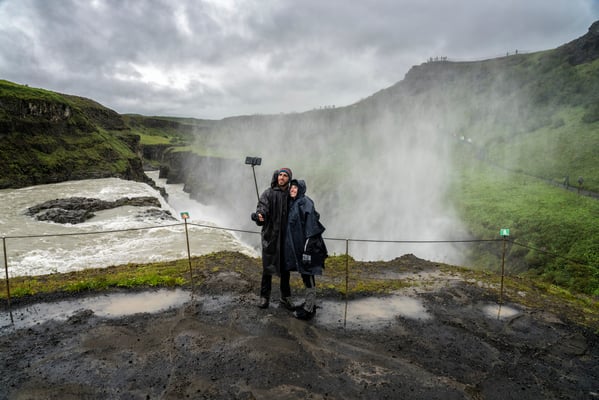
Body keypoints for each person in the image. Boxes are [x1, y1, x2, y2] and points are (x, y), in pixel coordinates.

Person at [284, 179, 328, 320]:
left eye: (295, 188)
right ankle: (310, 303)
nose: (292, 189)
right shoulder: (294, 203)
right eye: (291, 187)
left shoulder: (305, 203)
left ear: (301, 189)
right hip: (300, 247)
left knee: (308, 275)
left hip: (307, 247)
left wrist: (307, 250)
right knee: (305, 274)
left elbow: (311, 228)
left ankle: (308, 310)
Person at [252, 167, 294, 310]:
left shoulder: (291, 195)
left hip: (286, 238)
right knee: (267, 268)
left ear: (289, 179)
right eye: (280, 175)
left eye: (285, 176)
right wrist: (260, 215)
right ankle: (264, 297)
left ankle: (285, 297)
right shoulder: (268, 194)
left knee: (285, 269)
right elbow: (262, 208)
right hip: (270, 236)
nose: (281, 178)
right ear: (276, 177)